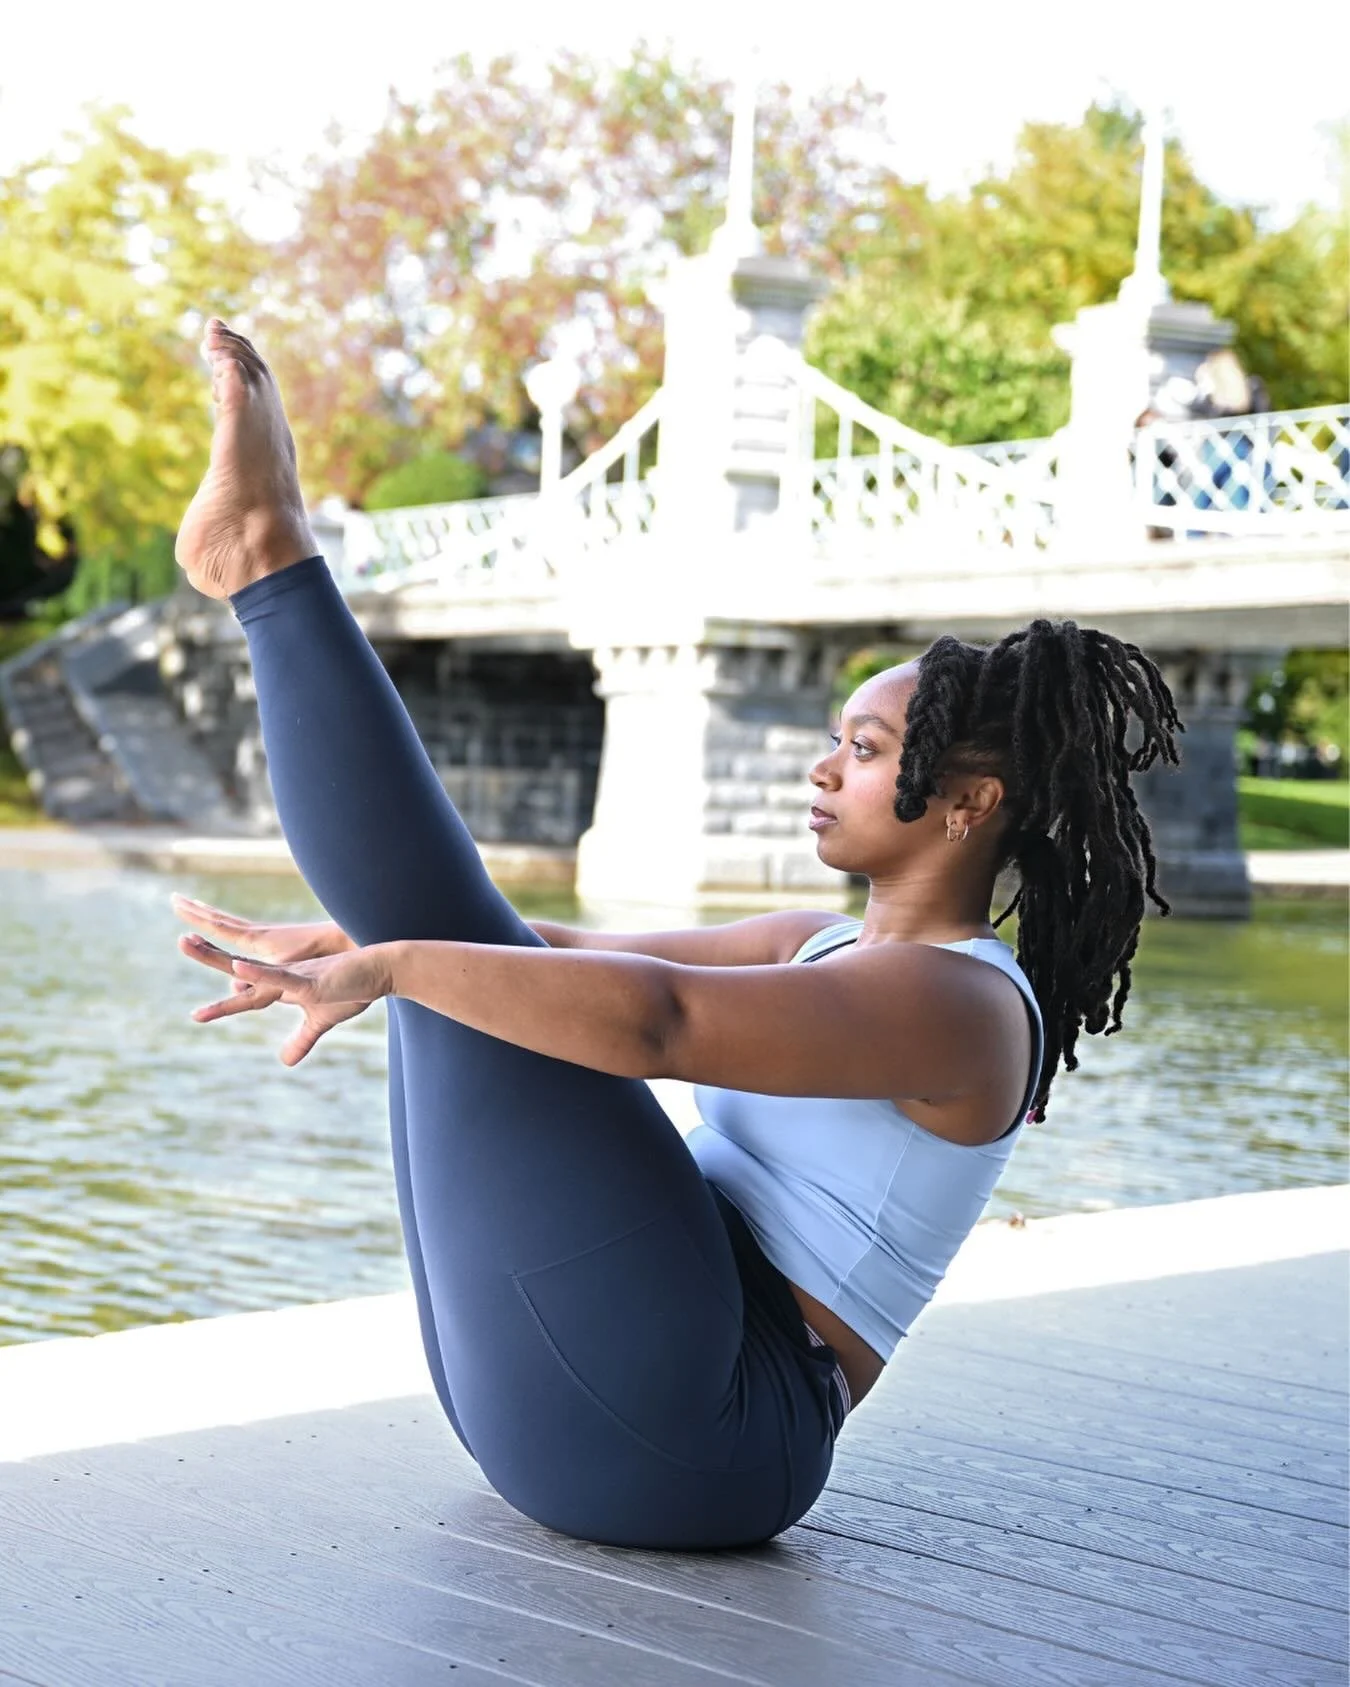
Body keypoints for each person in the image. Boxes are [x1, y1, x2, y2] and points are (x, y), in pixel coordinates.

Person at [172, 320, 1183, 1552]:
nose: (822, 770)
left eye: (864, 753)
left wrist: (392, 963)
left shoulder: (966, 1007)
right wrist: (360, 936)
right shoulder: (815, 945)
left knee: (463, 976)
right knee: (475, 969)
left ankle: (273, 565)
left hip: (703, 1433)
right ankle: (270, 566)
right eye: (836, 738)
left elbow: (659, 1022)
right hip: (584, 1385)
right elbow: (542, 948)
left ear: (970, 805)